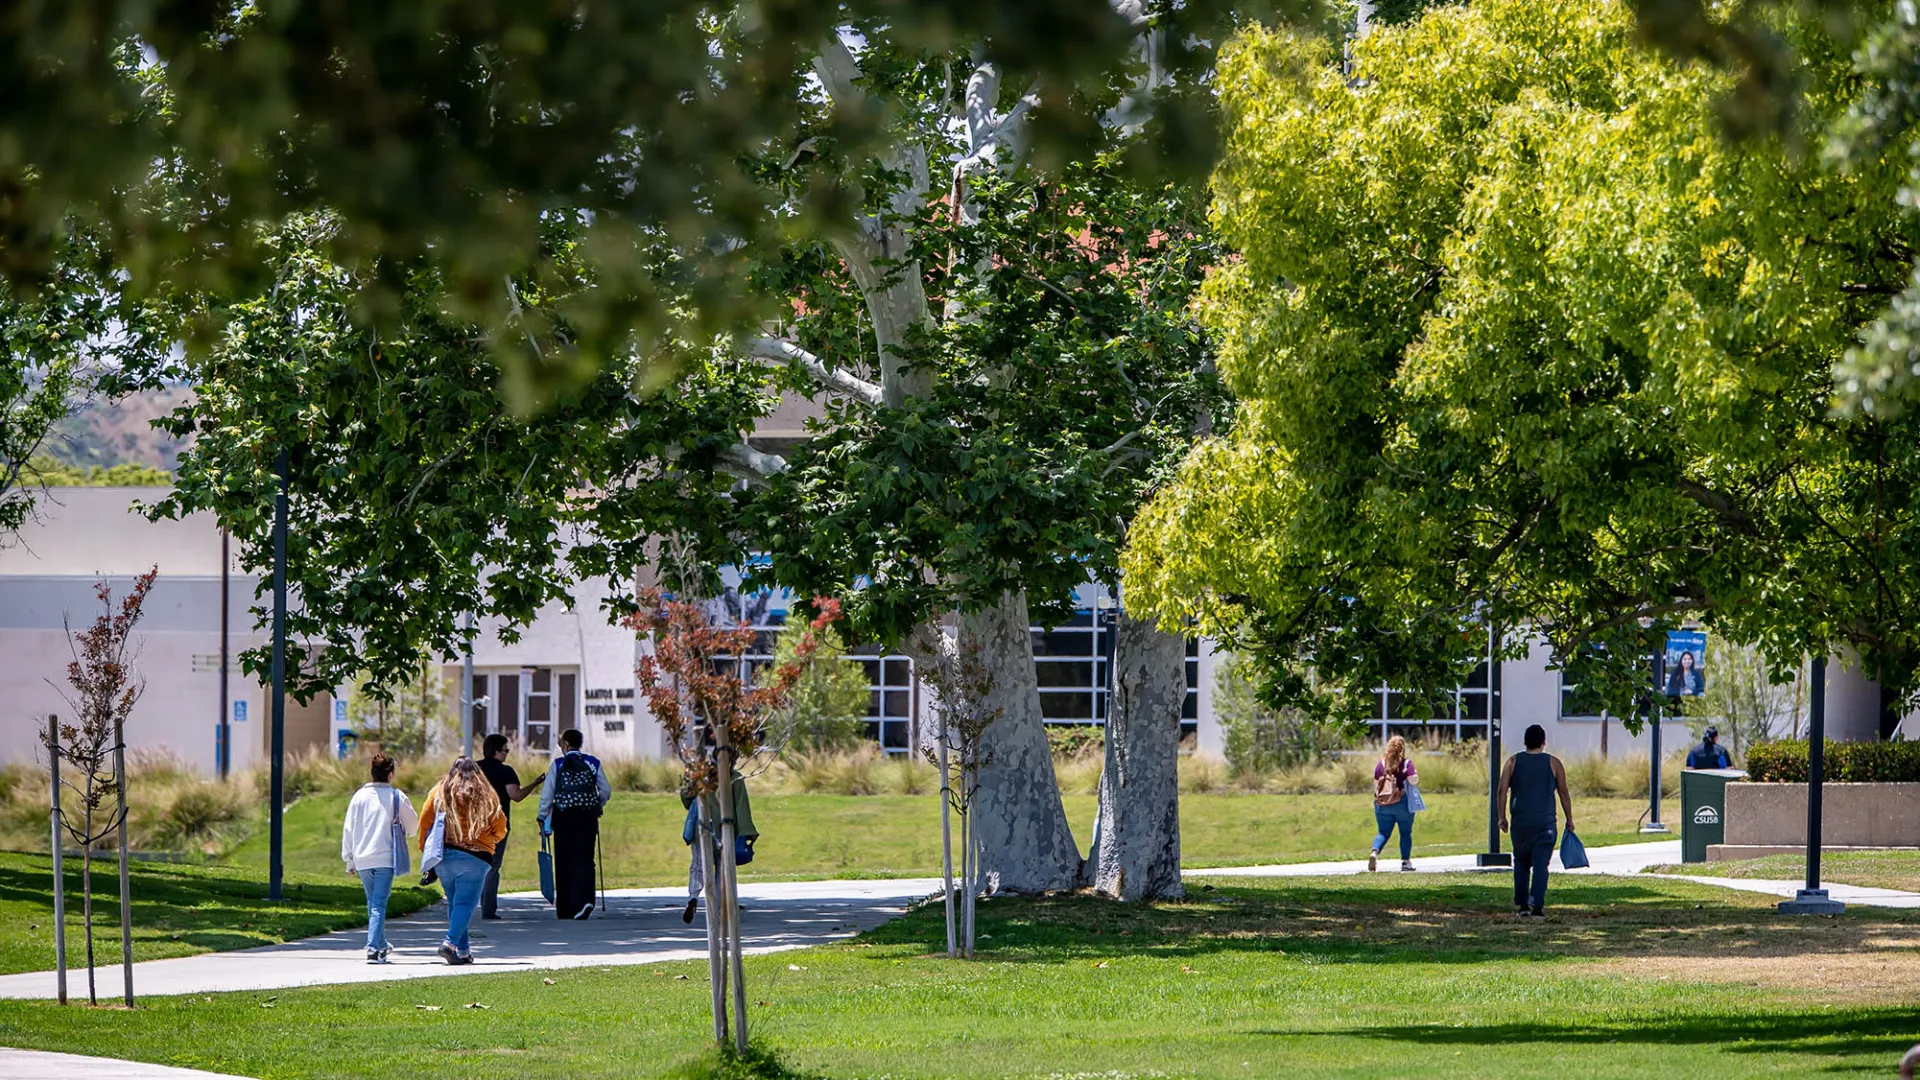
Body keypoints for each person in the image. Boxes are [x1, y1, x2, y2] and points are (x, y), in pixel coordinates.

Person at [418, 758, 507, 964]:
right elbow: (500, 826)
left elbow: (424, 820)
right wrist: (492, 838)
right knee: (465, 903)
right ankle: (449, 944)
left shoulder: (440, 792)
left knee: (456, 903)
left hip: (445, 856)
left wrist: (425, 849)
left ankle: (463, 952)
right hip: (476, 856)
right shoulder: (486, 794)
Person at [339, 752, 417, 963]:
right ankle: (373, 948)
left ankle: (381, 944)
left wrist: (349, 859)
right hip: (385, 858)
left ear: (371, 772)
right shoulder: (397, 796)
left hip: (362, 858)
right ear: (391, 774)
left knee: (373, 902)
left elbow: (349, 829)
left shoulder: (359, 797)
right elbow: (412, 826)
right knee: (379, 904)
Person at [1496, 724, 1575, 918]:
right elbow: (1563, 793)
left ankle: (1523, 906)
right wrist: (1569, 819)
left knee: (1521, 862)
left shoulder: (1512, 762)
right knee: (1541, 864)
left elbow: (1501, 791)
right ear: (1543, 742)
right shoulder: (1554, 763)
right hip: (1545, 823)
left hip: (1520, 823)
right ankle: (1537, 905)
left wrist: (1502, 817)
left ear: (1525, 741)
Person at [538, 728, 612, 920]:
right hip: (587, 817)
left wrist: (542, 816)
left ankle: (565, 908)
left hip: (563, 817)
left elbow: (548, 795)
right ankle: (585, 900)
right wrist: (596, 805)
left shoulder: (558, 764)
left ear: (565, 744)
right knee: (585, 858)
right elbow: (605, 790)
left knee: (564, 860)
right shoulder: (592, 762)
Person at [476, 733, 544, 920]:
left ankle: (467, 904)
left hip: (474, 824)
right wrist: (535, 783)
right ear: (496, 751)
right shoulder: (505, 771)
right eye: (505, 750)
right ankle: (488, 909)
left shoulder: (473, 769)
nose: (507, 753)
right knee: (493, 865)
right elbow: (516, 795)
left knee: (476, 864)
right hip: (497, 824)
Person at [680, 766, 758, 923]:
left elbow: (686, 799)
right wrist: (747, 832)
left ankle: (693, 896)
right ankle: (718, 911)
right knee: (722, 871)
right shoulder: (734, 777)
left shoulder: (700, 775)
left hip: (701, 827)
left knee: (699, 865)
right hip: (726, 829)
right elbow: (741, 807)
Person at [1367, 735, 1418, 872]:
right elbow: (1412, 780)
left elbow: (1376, 785)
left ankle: (1374, 852)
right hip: (1402, 803)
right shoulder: (1406, 764)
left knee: (1383, 832)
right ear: (1402, 749)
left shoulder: (1381, 764)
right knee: (1405, 832)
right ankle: (1406, 862)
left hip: (1382, 804)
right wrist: (1415, 776)